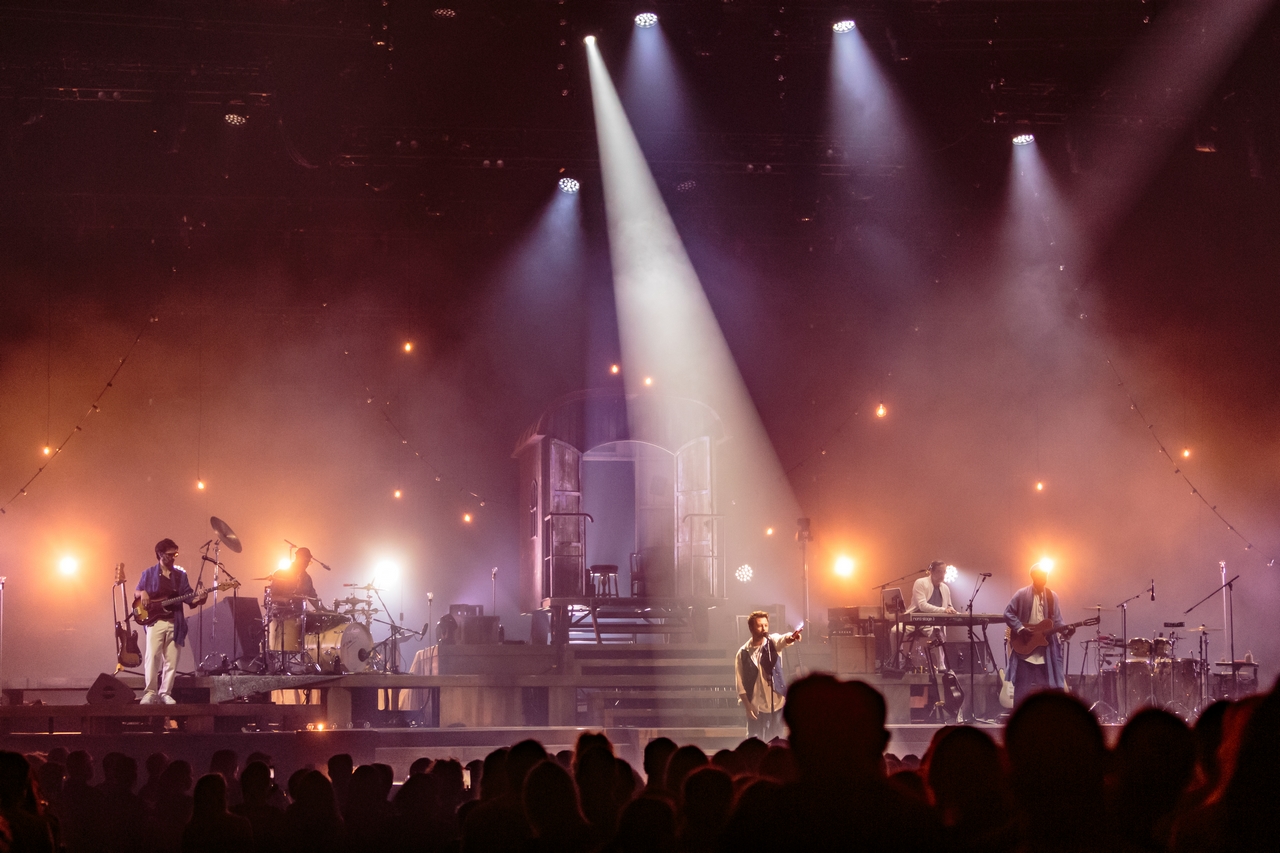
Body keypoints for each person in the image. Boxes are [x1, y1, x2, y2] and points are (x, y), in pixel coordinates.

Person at [135, 539, 206, 705]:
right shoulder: (149, 573)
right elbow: (136, 591)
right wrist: (143, 592)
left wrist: (201, 598)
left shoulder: (180, 576)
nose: (174, 557)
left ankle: (165, 693)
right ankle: (150, 692)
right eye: (170, 554)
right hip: (155, 621)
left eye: (176, 553)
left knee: (171, 661)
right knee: (152, 657)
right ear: (160, 554)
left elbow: (190, 599)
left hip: (175, 623)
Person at [1003, 561, 1072, 706]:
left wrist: (1067, 630)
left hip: (1045, 654)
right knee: (1021, 693)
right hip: (1025, 652)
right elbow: (1008, 613)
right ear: (1033, 577)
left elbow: (1057, 621)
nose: (1044, 579)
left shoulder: (1052, 596)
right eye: (1041, 576)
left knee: (1047, 693)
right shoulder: (1022, 594)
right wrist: (1020, 628)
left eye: (1045, 576)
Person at [734, 611, 801, 741]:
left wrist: (791, 637)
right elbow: (739, 684)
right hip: (756, 705)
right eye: (760, 625)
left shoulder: (772, 642)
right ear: (751, 628)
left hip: (776, 702)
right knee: (755, 741)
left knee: (777, 738)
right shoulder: (742, 652)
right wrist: (748, 707)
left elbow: (783, 639)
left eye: (766, 625)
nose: (764, 629)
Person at [897, 560, 957, 672]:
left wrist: (956, 613)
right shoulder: (920, 582)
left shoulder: (945, 588)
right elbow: (922, 605)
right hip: (913, 620)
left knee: (938, 633)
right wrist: (944, 610)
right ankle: (898, 663)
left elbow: (949, 606)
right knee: (895, 631)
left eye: (944, 572)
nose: (942, 575)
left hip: (931, 623)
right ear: (931, 571)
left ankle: (941, 665)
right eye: (939, 571)